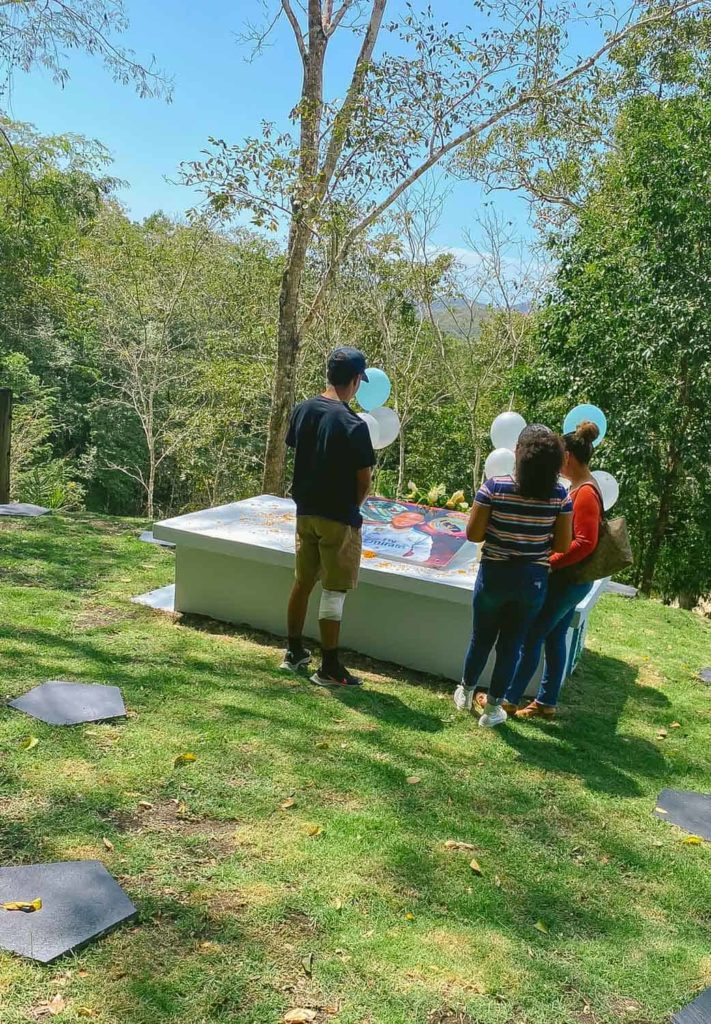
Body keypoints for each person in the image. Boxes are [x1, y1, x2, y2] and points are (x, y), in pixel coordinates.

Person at [453, 425, 573, 728]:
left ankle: (465, 691)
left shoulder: (494, 487)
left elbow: (473, 533)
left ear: (520, 453)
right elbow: (562, 544)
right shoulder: (561, 495)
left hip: (495, 574)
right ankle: (493, 708)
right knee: (512, 645)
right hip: (532, 579)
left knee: (481, 637)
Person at [282, 347, 375, 687]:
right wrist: (352, 508)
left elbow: (300, 451)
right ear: (354, 380)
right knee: (334, 591)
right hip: (338, 517)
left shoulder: (303, 409)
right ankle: (329, 668)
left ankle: (293, 651)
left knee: (303, 581)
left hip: (305, 513)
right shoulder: (353, 424)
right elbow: (363, 481)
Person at [503, 421, 601, 718]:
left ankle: (508, 698)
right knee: (555, 637)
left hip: (568, 581)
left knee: (532, 635)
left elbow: (585, 543)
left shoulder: (584, 493)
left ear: (568, 457)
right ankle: (547, 702)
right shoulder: (582, 487)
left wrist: (550, 562)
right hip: (573, 580)